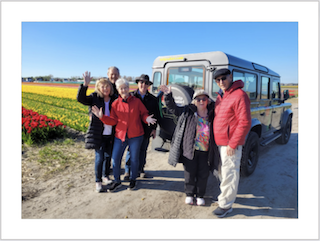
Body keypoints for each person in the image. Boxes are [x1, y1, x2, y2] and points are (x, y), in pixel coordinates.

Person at [91, 78, 157, 192]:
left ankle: (133, 179)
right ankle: (117, 181)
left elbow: (143, 114)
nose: (124, 90)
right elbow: (113, 120)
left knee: (134, 159)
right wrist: (102, 117)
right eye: (121, 88)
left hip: (136, 135)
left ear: (128, 88)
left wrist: (147, 119)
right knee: (115, 158)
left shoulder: (136, 101)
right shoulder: (116, 104)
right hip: (120, 136)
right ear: (118, 90)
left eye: (126, 87)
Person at [159, 85, 217, 206]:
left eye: (204, 99)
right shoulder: (188, 111)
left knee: (203, 173)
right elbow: (173, 108)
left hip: (206, 150)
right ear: (194, 101)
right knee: (189, 173)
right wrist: (168, 95)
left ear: (208, 101)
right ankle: (190, 194)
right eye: (198, 99)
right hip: (189, 149)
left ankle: (200, 195)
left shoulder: (212, 113)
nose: (201, 101)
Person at [211, 68, 251, 218]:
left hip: (229, 144)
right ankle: (225, 197)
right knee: (225, 172)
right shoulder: (223, 96)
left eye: (223, 78)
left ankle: (226, 206)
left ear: (231, 77)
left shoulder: (239, 95)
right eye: (218, 80)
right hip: (221, 142)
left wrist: (233, 144)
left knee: (229, 173)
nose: (221, 82)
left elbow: (245, 122)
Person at [77, 71, 116, 193]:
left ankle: (105, 176)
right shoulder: (94, 98)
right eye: (102, 86)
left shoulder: (114, 99)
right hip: (98, 133)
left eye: (107, 86)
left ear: (111, 87)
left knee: (108, 157)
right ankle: (98, 181)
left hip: (111, 134)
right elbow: (81, 99)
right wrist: (84, 85)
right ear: (98, 88)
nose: (105, 88)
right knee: (99, 158)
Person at [124, 74, 160, 180]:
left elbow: (156, 114)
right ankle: (127, 171)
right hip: (133, 129)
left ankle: (140, 169)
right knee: (131, 150)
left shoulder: (153, 99)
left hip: (146, 129)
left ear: (148, 85)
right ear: (138, 83)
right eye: (141, 82)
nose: (143, 85)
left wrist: (154, 129)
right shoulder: (131, 96)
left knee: (143, 150)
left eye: (146, 83)